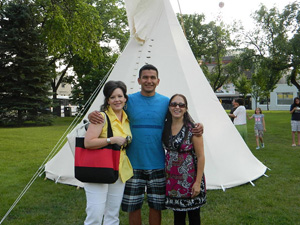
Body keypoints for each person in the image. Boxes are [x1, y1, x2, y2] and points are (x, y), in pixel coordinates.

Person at [88, 64, 203, 225]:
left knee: (156, 206)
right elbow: (111, 112)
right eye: (145, 77)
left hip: (158, 163)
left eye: (152, 77)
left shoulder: (165, 102)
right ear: (139, 80)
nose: (149, 81)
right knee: (133, 206)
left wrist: (198, 125)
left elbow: (180, 118)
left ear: (158, 80)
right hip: (132, 164)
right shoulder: (129, 101)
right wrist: (91, 114)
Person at [83, 80, 133, 225]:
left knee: (112, 214)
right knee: (95, 214)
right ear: (107, 100)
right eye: (112, 97)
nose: (117, 100)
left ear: (125, 98)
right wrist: (111, 140)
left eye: (119, 96)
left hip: (118, 169)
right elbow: (88, 142)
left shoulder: (127, 118)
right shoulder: (101, 117)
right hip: (98, 169)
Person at [162, 94, 206, 225]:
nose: (177, 107)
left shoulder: (193, 129)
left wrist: (197, 183)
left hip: (190, 179)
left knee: (194, 217)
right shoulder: (165, 127)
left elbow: (201, 156)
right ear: (169, 107)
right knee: (178, 218)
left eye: (181, 105)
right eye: (174, 104)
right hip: (173, 181)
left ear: (186, 108)